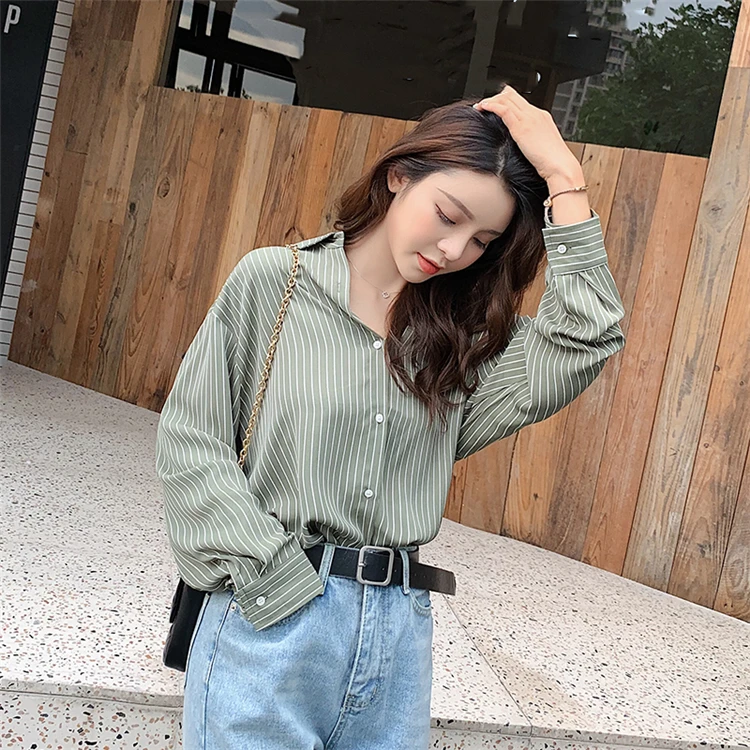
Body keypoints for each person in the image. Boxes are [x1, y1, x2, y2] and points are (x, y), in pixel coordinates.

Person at [155, 84, 627, 750]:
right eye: (448, 215)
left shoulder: (463, 342)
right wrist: (270, 579)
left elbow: (587, 334)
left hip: (398, 637)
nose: (454, 249)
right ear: (400, 176)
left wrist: (564, 178)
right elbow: (192, 439)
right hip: (272, 617)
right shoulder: (275, 283)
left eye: (481, 240)